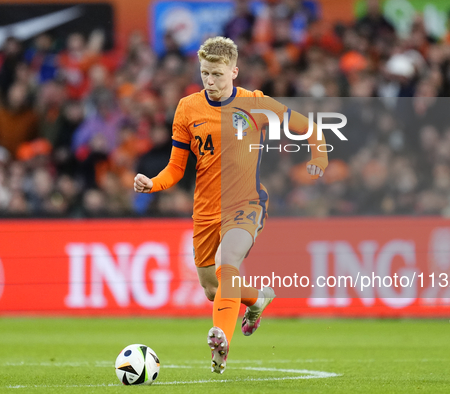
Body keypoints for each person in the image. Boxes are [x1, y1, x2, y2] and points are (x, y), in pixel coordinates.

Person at [133, 36, 328, 373]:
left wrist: (320, 155)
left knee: (228, 261)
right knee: (213, 289)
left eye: (218, 75)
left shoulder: (255, 104)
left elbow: (307, 126)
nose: (211, 82)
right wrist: (153, 184)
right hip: (206, 210)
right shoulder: (187, 108)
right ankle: (258, 299)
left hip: (246, 202)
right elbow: (176, 168)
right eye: (205, 74)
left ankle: (220, 339)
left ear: (234, 71)